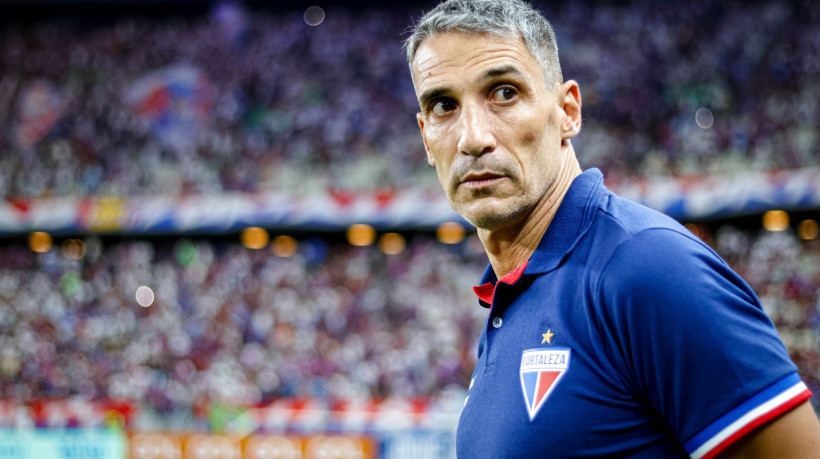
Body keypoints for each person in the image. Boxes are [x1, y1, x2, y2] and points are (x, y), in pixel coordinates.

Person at [403, 0, 820, 457]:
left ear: (568, 111)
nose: (473, 138)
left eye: (504, 93)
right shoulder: (514, 295)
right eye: (444, 105)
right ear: (426, 138)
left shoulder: (648, 266)